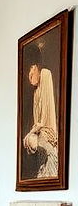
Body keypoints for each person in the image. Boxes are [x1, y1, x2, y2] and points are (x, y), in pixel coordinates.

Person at [21, 42, 59, 180]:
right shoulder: (36, 91)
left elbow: (43, 120)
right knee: (30, 140)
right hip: (40, 132)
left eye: (30, 70)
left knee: (31, 140)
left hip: (46, 133)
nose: (29, 76)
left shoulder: (45, 74)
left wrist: (32, 133)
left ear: (35, 66)